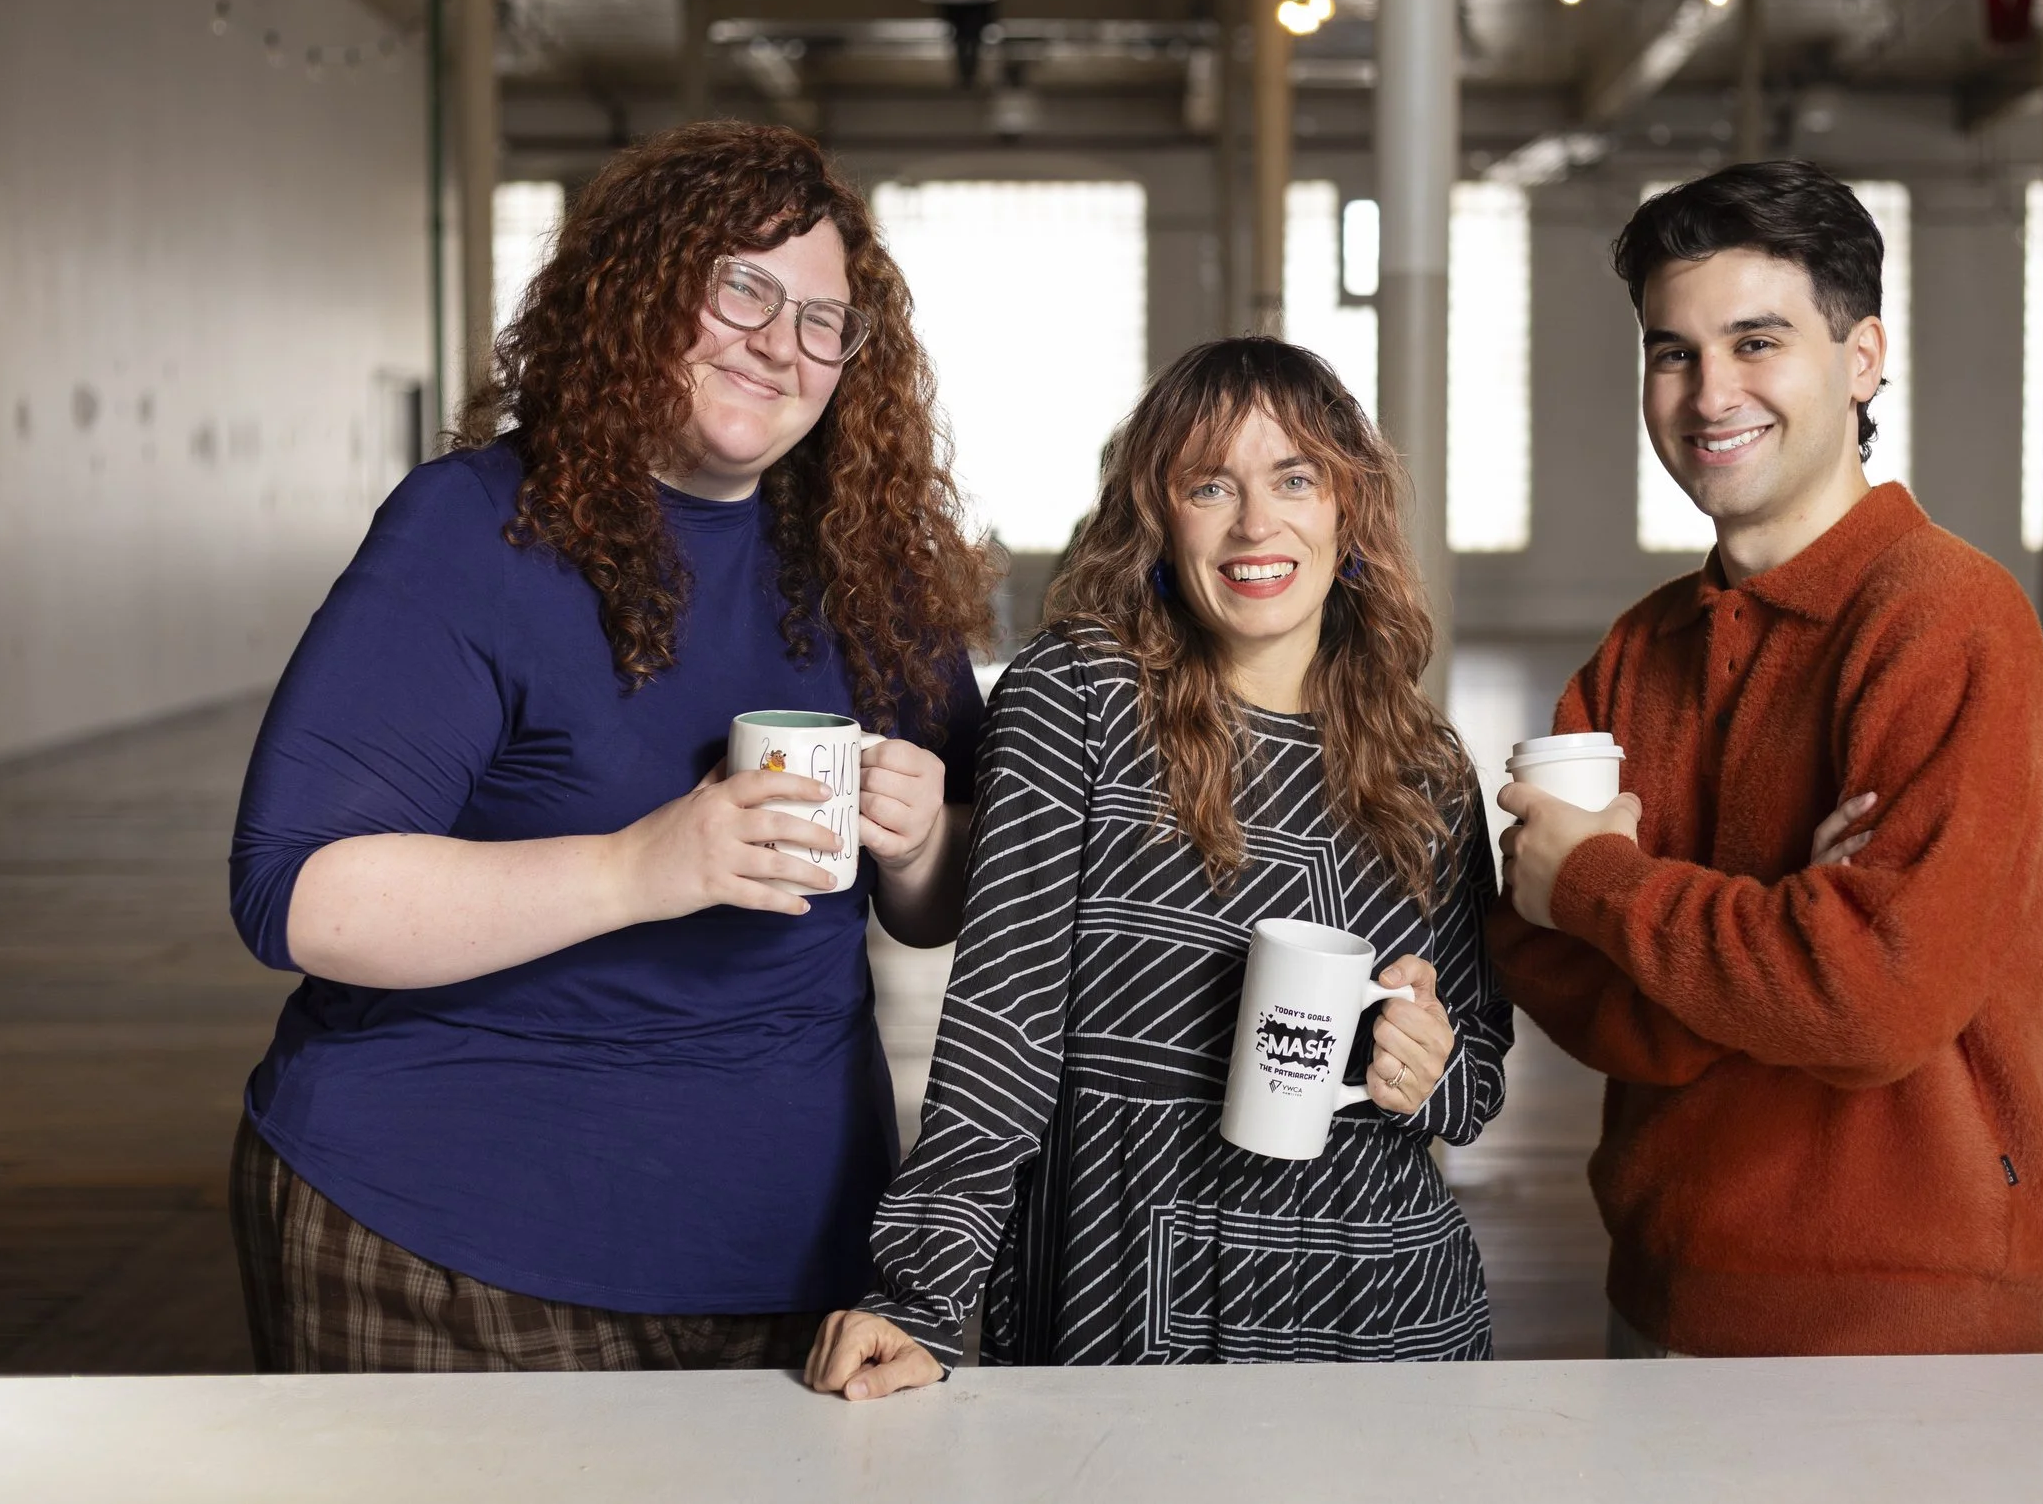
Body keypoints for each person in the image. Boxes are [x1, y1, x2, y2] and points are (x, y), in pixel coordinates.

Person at [225, 122, 994, 1371]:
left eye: (820, 319)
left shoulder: (873, 564)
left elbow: (941, 905)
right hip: (447, 1239)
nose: (777, 341)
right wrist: (639, 868)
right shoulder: (475, 531)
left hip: (794, 1250)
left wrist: (919, 843)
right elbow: (295, 895)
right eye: (740, 285)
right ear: (642, 287)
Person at [804, 337, 1512, 1397]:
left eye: (1295, 478)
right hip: (1124, 1301)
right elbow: (1004, 1024)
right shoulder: (1076, 697)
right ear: (1157, 516)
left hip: (1385, 1310)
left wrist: (1430, 1064)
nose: (1256, 524)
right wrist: (921, 1295)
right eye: (1209, 484)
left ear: (1346, 512)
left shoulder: (1429, 765)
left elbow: (1477, 1073)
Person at [1489, 161, 2043, 1357]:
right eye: (1672, 352)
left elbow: (1873, 1005)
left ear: (1860, 359)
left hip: (1904, 1317)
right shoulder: (1638, 652)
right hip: (1661, 1284)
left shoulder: (1947, 618)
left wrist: (1609, 888)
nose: (1710, 393)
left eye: (1758, 342)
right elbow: (1545, 965)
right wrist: (1778, 935)